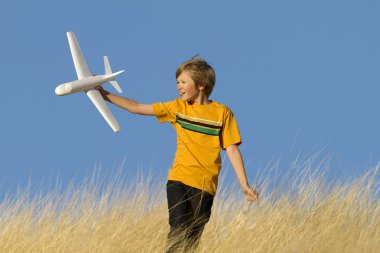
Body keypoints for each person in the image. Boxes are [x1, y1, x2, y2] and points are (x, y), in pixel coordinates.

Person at [97, 56, 258, 252]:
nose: (179, 87)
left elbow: (232, 149)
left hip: (206, 187)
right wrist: (104, 93)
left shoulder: (222, 113)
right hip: (179, 180)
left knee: (192, 238)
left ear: (201, 85)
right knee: (179, 228)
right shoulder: (177, 108)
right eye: (177, 83)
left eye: (183, 82)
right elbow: (136, 107)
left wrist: (244, 184)